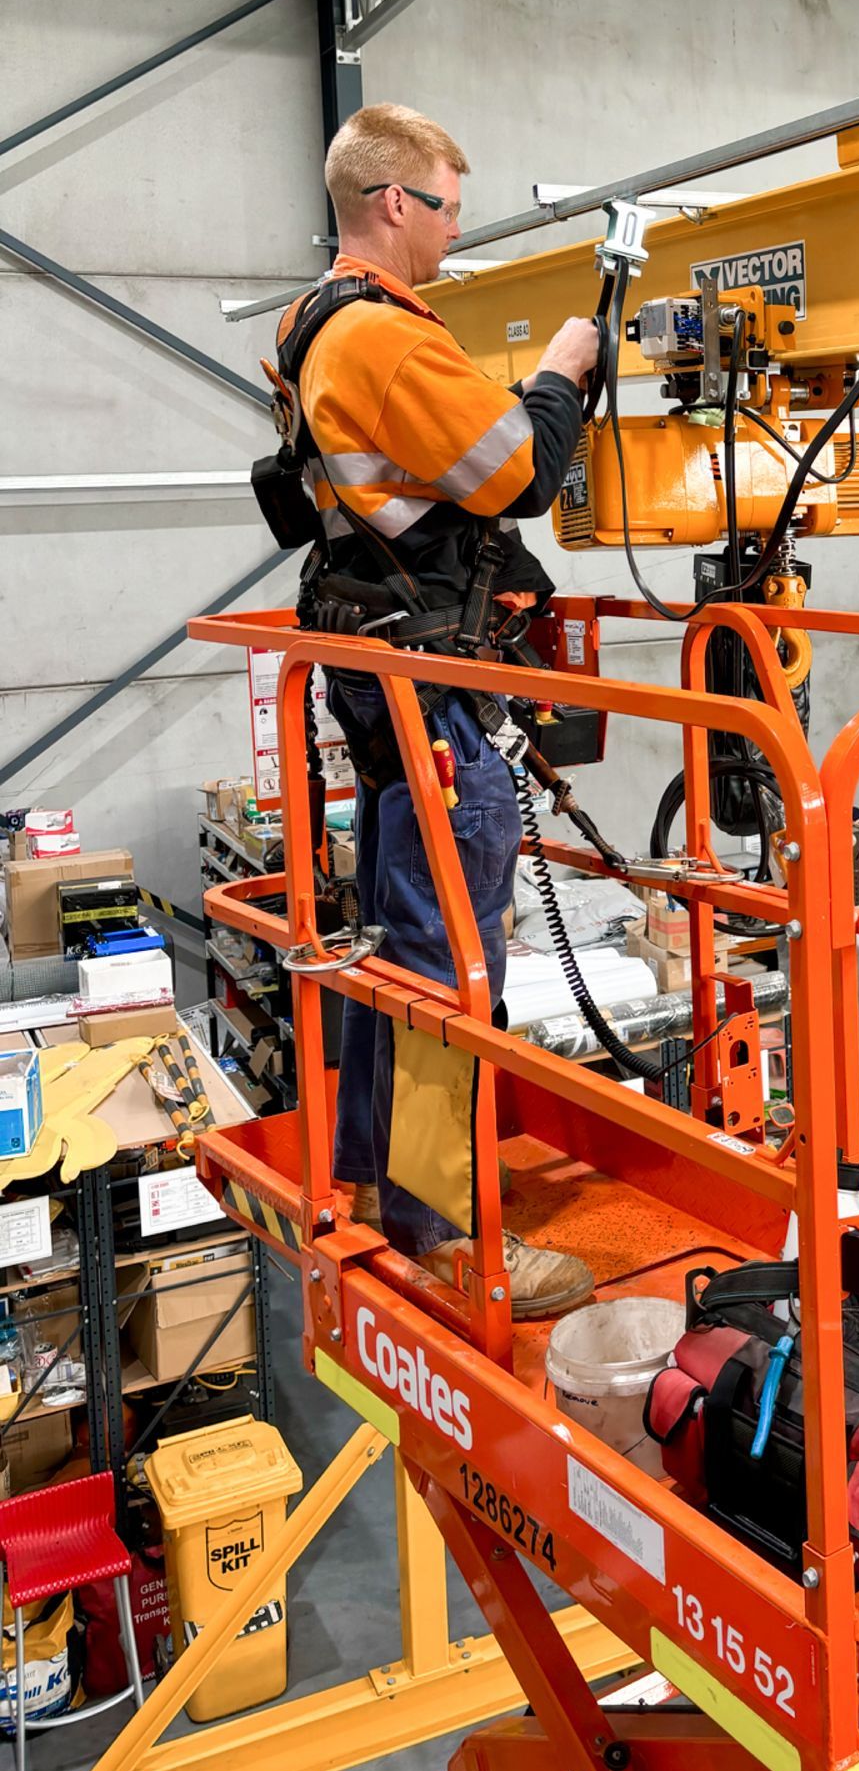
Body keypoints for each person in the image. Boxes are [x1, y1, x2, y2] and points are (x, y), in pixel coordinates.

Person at [275, 103, 602, 1318]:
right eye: (451, 207)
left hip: (379, 666)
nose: (458, 233)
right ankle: (450, 1235)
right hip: (426, 680)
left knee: (400, 939)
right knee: (451, 959)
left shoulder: (317, 326)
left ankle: (377, 1178)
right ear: (394, 203)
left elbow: (436, 472)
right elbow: (514, 468)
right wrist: (565, 370)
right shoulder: (381, 336)